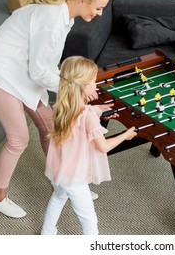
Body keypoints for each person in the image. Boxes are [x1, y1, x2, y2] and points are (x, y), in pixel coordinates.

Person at [0, 0, 113, 218]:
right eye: (98, 8)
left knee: (50, 125)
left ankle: (64, 180)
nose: (100, 13)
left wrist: (73, 88)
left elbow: (45, 65)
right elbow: (40, 71)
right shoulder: (51, 19)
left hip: (24, 72)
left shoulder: (63, 16)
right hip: (2, 75)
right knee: (19, 139)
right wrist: (78, 90)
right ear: (82, 0)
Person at [41, 56, 137, 235]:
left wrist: (98, 108)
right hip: (75, 177)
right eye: (94, 82)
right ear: (84, 86)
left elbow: (82, 114)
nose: (96, 85)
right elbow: (104, 147)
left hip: (59, 169)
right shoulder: (87, 115)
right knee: (89, 219)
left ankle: (47, 233)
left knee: (58, 197)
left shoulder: (61, 106)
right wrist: (126, 134)